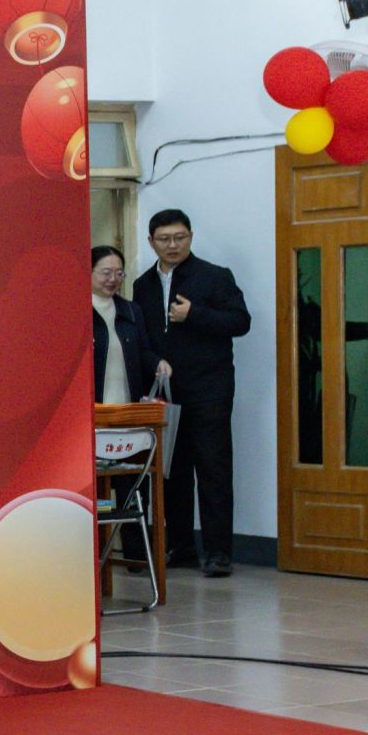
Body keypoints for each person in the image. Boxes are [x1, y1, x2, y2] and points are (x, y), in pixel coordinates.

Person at [132, 210, 249, 578]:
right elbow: (143, 336)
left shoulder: (215, 276)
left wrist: (195, 314)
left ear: (191, 237)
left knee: (213, 471)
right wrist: (153, 363)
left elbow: (240, 322)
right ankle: (180, 547)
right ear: (151, 241)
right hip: (166, 395)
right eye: (164, 239)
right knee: (173, 473)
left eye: (179, 237)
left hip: (209, 390)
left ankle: (218, 553)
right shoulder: (142, 285)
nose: (173, 245)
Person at [92, 246, 163, 404]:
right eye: (106, 273)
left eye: (119, 273)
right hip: (90, 403)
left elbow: (143, 351)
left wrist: (157, 363)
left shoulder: (131, 310)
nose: (113, 279)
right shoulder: (76, 313)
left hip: (128, 401)